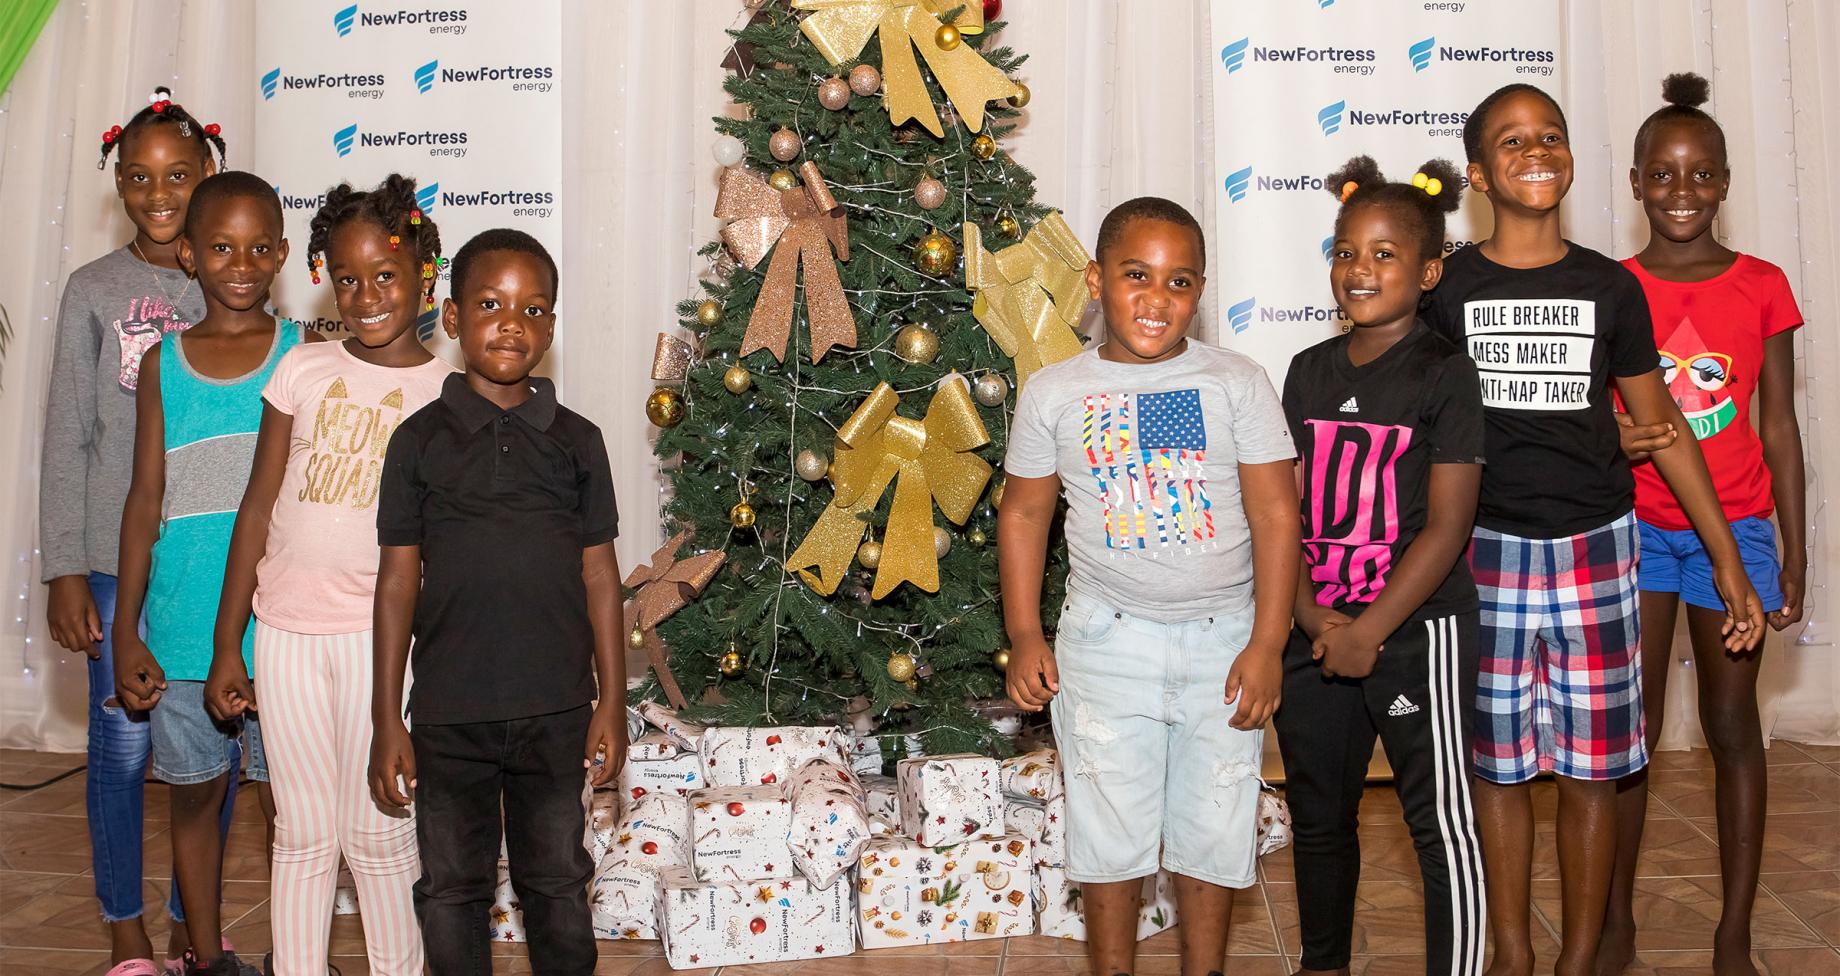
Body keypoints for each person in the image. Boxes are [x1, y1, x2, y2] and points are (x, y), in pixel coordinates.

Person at [1425, 83, 1765, 976]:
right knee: (1498, 765)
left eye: (1550, 135)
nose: (1535, 151)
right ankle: (1510, 951)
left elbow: (1667, 425)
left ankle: (1578, 960)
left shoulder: (1609, 286)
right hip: (1484, 552)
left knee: (1591, 767)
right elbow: (1418, 413)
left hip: (1597, 550)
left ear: (1570, 156)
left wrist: (1728, 557)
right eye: (1511, 141)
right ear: (1476, 174)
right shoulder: (1450, 285)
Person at [1000, 198, 1300, 976]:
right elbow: (1026, 514)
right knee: (1108, 832)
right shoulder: (1054, 392)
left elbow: (1275, 512)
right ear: (1097, 280)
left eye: (1180, 282)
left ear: (1200, 292)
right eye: (1137, 276)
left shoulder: (1236, 382)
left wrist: (1268, 642)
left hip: (1224, 645)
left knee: (1214, 825)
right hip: (1106, 642)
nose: (1157, 300)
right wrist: (1025, 633)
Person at [204, 176, 451, 976]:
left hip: (383, 644)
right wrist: (226, 644)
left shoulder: (448, 393)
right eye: (347, 279)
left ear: (425, 274)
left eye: (386, 275)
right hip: (284, 634)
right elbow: (255, 508)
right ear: (323, 279)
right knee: (302, 836)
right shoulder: (300, 371)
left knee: (382, 835)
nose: (367, 294)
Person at [367, 228, 626, 976]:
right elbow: (396, 582)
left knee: (557, 881)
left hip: (555, 710)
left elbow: (601, 576)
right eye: (490, 303)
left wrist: (611, 701)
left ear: (551, 325)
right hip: (450, 713)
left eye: (534, 308)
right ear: (451, 319)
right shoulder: (417, 443)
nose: (513, 323)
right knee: (451, 889)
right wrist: (389, 716)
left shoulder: (579, 443)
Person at [1597, 73, 1807, 976]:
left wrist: (1795, 553)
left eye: (1702, 175)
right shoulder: (1613, 288)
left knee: (1732, 728)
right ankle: (1614, 926)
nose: (1683, 192)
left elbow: (1780, 426)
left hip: (1741, 532)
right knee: (1629, 733)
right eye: (1664, 174)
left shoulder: (1763, 285)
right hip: (1638, 531)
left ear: (1724, 183)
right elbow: (1593, 423)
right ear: (1638, 182)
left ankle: (1733, 932)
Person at [1276, 157, 1488, 976]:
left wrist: (1369, 629)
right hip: (1317, 631)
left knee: (1437, 821)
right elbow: (1283, 511)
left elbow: (1448, 526)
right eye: (1344, 252)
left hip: (1411, 634)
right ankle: (1323, 964)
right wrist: (1306, 614)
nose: (1358, 270)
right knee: (1319, 815)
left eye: (1384, 254)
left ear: (1430, 270)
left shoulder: (1444, 372)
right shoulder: (1306, 372)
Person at [39, 85, 230, 976]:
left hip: (208, 563)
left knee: (211, 741)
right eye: (140, 177)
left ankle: (200, 922)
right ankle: (125, 927)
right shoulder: (92, 291)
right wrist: (65, 570)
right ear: (119, 182)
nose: (160, 194)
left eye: (180, 175)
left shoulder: (230, 279)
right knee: (120, 746)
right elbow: (67, 436)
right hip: (118, 565)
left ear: (209, 176)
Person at [113, 173, 308, 976]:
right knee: (193, 800)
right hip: (184, 634)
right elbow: (143, 498)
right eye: (221, 247)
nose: (241, 263)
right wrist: (125, 629)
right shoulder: (162, 363)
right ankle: (203, 956)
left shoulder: (306, 356)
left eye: (260, 248)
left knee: (287, 811)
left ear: (284, 255)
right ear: (189, 255)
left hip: (283, 633)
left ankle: (293, 955)